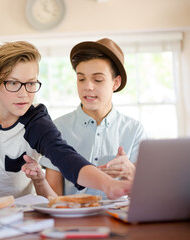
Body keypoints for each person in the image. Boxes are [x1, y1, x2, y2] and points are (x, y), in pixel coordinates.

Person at [0, 41, 131, 199]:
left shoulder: (36, 120)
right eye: (13, 83)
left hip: (22, 210)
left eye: (31, 83)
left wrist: (108, 184)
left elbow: (65, 156)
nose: (24, 94)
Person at [39, 38, 147, 197]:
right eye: (81, 78)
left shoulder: (134, 130)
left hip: (119, 219)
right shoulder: (58, 128)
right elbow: (52, 197)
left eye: (98, 80)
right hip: (73, 219)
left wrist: (131, 172)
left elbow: (144, 196)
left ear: (115, 83)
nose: (87, 86)